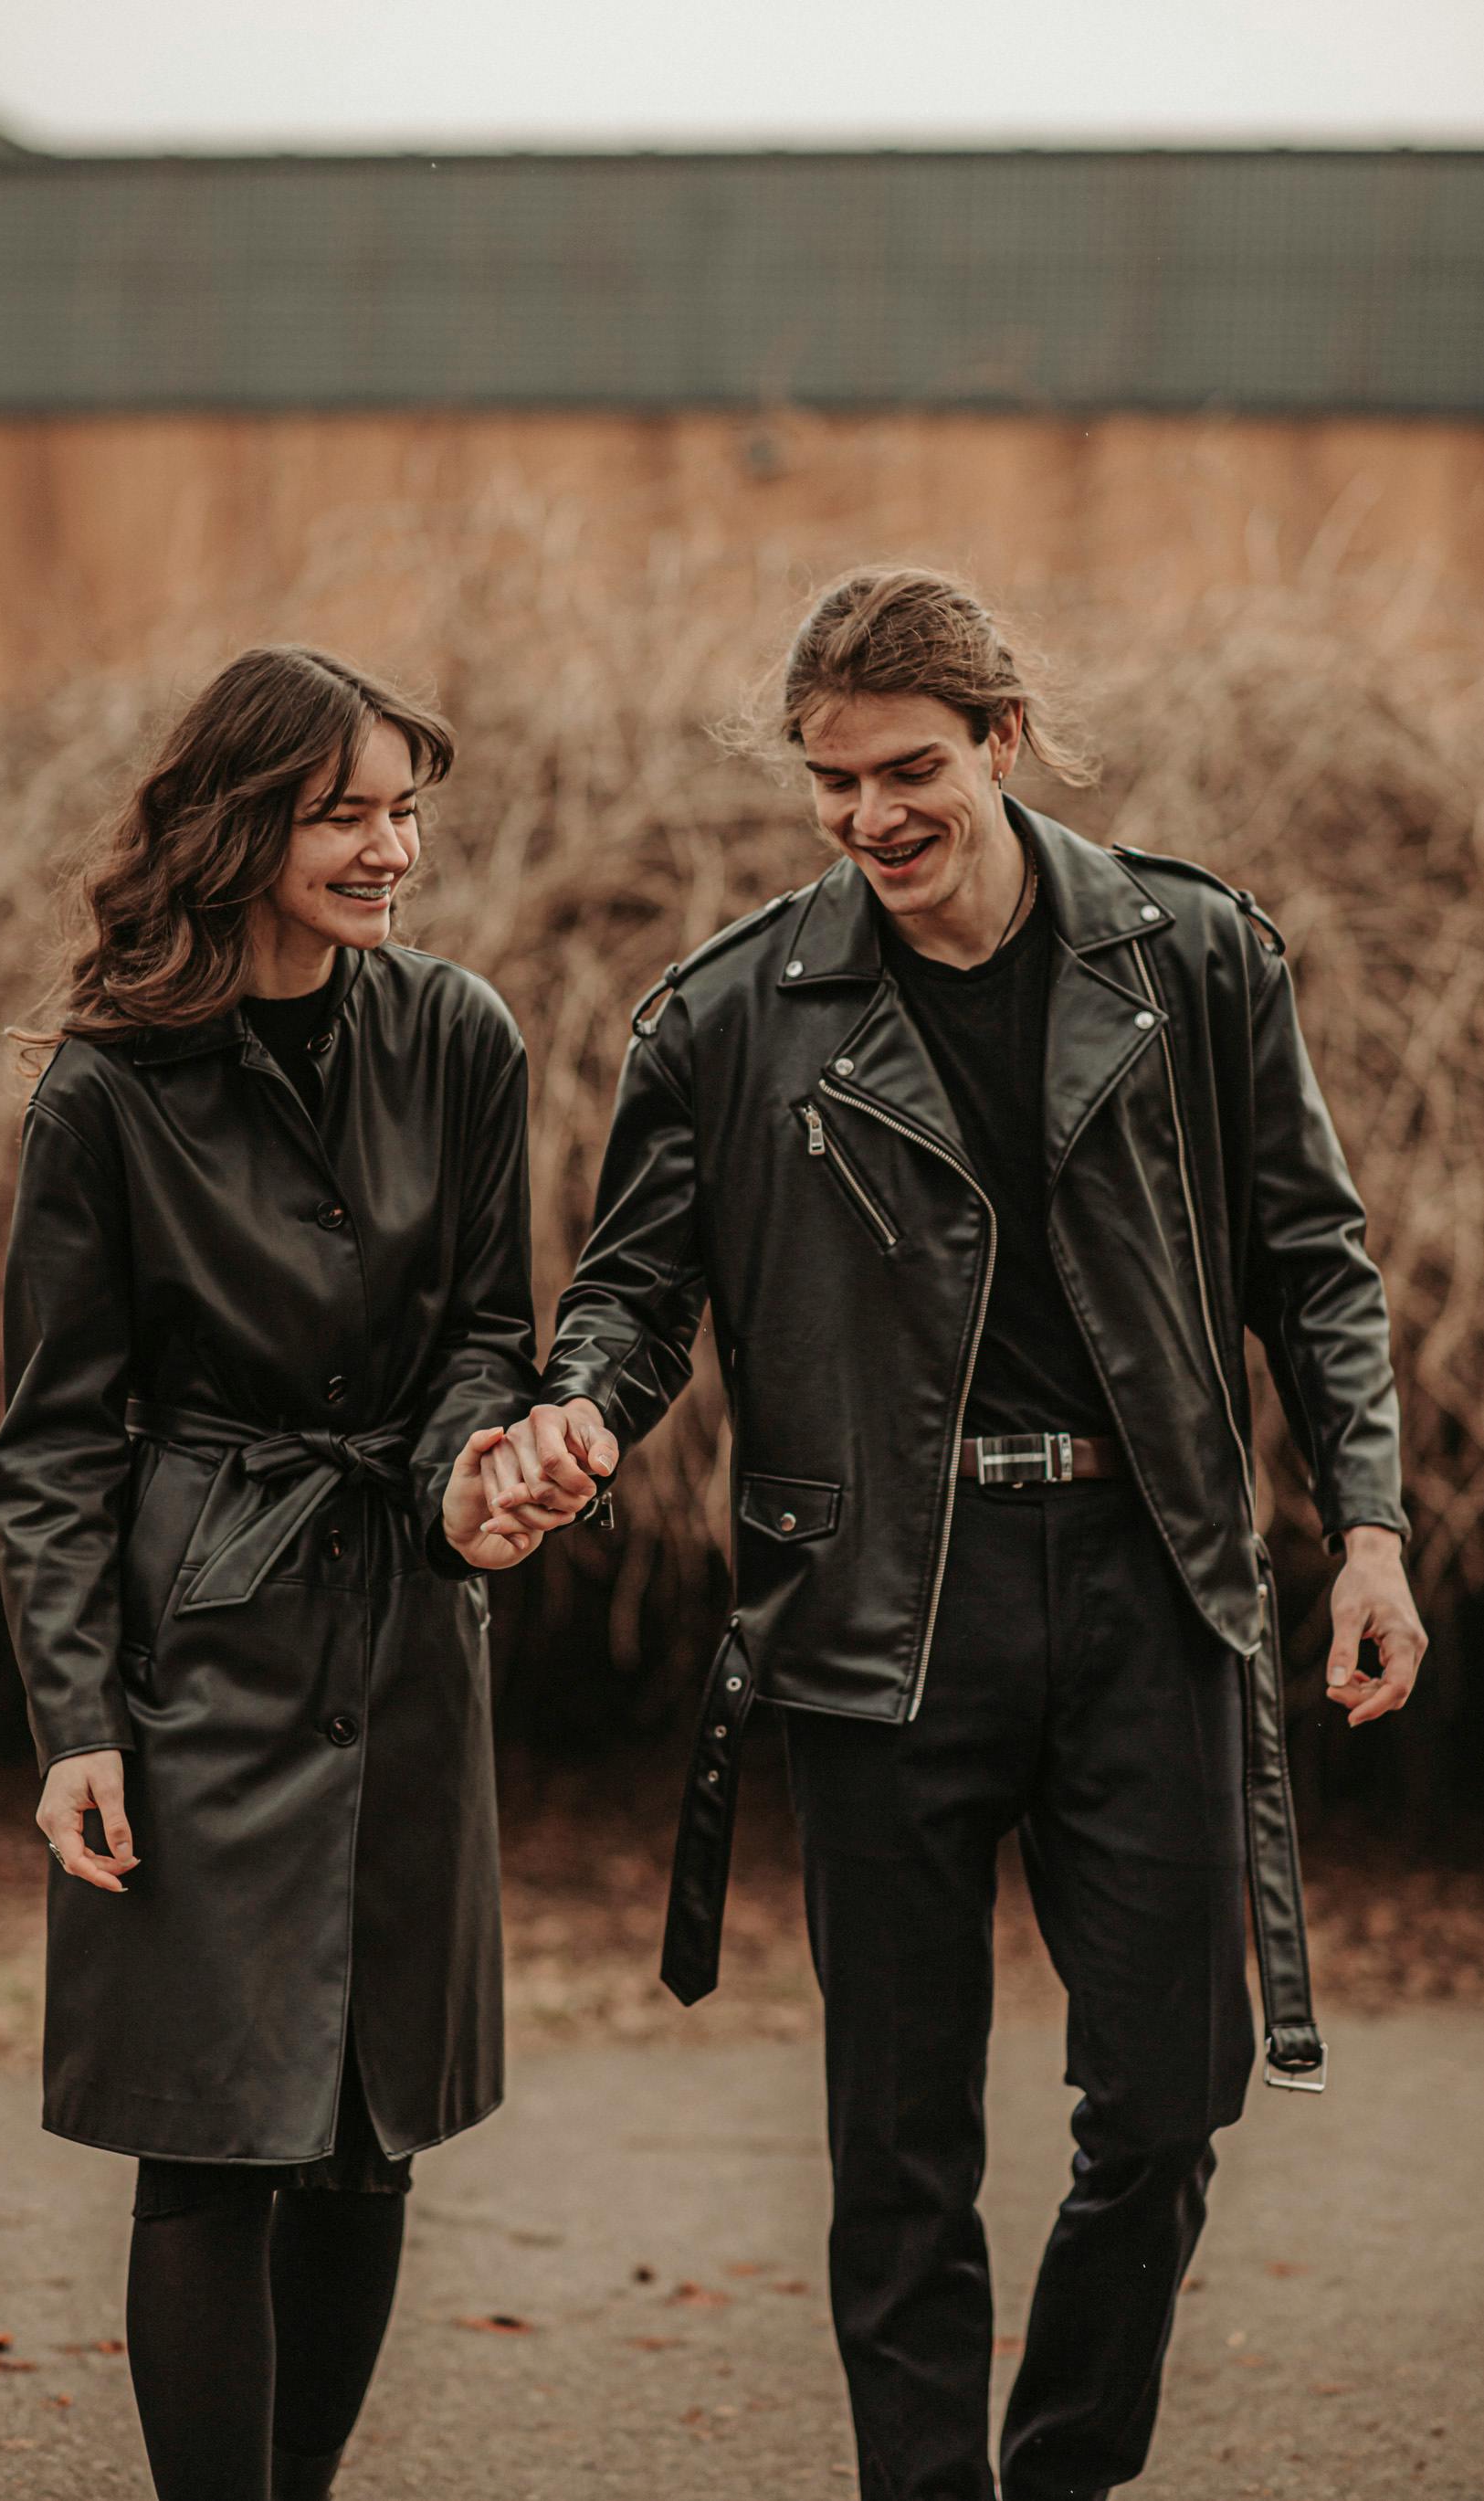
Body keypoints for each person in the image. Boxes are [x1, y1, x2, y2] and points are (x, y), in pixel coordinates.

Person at [490, 570, 1426, 2501]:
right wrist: (580, 1404)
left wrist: (1367, 1525)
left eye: (908, 767)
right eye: (831, 782)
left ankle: (1061, 2471)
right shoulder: (734, 1014)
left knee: (1168, 2104)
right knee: (897, 2147)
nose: (869, 817)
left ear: (1002, 738)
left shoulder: (1191, 958)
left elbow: (1314, 1263)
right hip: (873, 1609)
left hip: (1152, 1585)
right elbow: (632, 1292)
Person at [0, 646, 565, 2501]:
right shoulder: (104, 1089)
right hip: (194, 1647)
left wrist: (470, 1472)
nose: (391, 847)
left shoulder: (460, 1033)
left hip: (403, 1623)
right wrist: (76, 1718)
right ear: (241, 826)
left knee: (365, 2135)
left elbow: (490, 1325)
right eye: (345, 813)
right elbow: (56, 1436)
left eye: (404, 808)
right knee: (212, 2139)